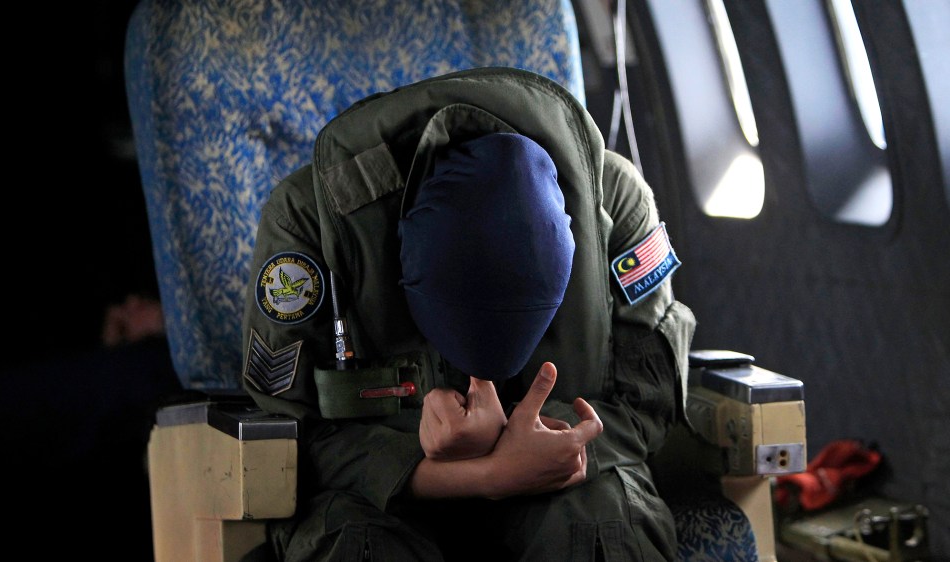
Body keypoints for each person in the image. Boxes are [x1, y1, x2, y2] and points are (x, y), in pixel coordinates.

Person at [240, 67, 695, 561]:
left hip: (566, 483)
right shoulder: (311, 220)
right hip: (379, 493)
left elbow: (644, 397)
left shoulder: (616, 203)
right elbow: (291, 434)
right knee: (354, 544)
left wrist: (547, 443)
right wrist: (476, 474)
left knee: (606, 527)